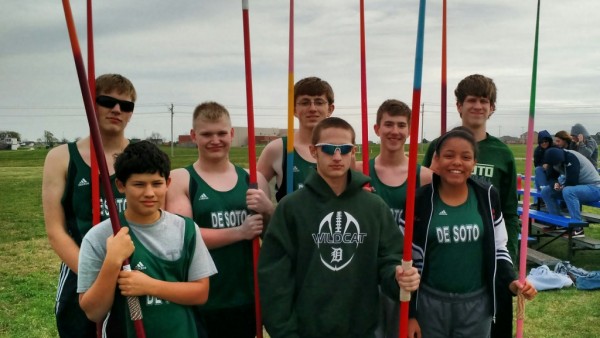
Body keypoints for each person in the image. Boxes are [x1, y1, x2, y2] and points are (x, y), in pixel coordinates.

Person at [258, 117, 421, 338]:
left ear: (353, 152)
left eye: (344, 149)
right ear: (313, 152)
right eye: (328, 149)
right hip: (305, 330)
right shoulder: (291, 208)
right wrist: (285, 332)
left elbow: (390, 260)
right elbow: (275, 279)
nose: (337, 156)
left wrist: (399, 277)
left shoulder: (374, 206)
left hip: (362, 329)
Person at [407, 127, 537, 338]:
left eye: (465, 157)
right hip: (429, 305)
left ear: (474, 163)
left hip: (477, 305)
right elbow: (408, 263)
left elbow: (499, 247)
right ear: (437, 160)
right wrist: (411, 314)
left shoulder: (487, 196)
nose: (457, 162)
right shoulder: (419, 201)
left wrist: (510, 280)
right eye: (449, 155)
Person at [77, 141, 216, 337]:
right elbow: (93, 312)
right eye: (139, 184)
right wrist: (112, 261)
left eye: (157, 184)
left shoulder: (186, 229)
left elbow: (200, 293)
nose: (149, 193)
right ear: (120, 185)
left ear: (168, 183)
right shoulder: (100, 236)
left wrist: (149, 286)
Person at [422, 74, 519, 338]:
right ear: (459, 106)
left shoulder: (503, 153)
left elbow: (510, 211)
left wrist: (508, 260)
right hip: (446, 256)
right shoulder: (439, 147)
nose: (478, 106)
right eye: (471, 100)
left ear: (492, 108)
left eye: (484, 101)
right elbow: (425, 199)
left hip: (489, 258)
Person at [166, 101, 274, 338]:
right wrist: (239, 232)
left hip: (247, 295)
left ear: (232, 134)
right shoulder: (181, 179)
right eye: (206, 134)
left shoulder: (253, 179)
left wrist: (268, 211)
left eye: (222, 133)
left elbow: (273, 236)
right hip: (202, 296)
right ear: (194, 136)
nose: (215, 140)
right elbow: (183, 237)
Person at [42, 73, 137, 337]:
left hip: (133, 274)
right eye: (107, 101)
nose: (117, 109)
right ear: (90, 104)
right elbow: (55, 230)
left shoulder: (142, 156)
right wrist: (92, 272)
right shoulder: (61, 157)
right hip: (80, 272)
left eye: (126, 105)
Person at [356, 99, 432, 338]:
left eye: (401, 125)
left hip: (407, 276)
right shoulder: (358, 173)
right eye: (388, 124)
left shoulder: (425, 177)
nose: (395, 131)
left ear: (409, 131)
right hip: (365, 276)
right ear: (376, 129)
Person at [257, 76, 335, 201]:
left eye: (319, 102)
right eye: (305, 102)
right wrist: (268, 211)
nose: (312, 109)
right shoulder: (277, 149)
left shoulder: (342, 149)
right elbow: (253, 189)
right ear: (293, 109)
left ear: (330, 109)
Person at [541, 147, 600, 237]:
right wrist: (555, 184)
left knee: (568, 191)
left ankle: (578, 228)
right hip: (579, 187)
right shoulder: (553, 160)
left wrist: (561, 187)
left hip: (594, 188)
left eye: (558, 162)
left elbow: (572, 181)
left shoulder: (571, 157)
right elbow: (551, 177)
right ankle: (557, 224)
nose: (557, 165)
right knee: (546, 191)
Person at [533, 130, 554, 204]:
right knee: (538, 172)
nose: (544, 143)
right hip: (542, 173)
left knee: (537, 177)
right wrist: (543, 165)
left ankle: (541, 199)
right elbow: (536, 163)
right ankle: (539, 201)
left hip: (554, 173)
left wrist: (549, 165)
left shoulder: (554, 149)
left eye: (546, 141)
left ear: (549, 141)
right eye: (542, 142)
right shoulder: (537, 150)